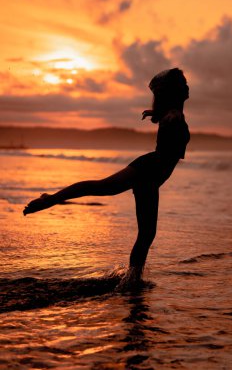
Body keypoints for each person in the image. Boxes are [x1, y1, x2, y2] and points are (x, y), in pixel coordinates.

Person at [23, 68, 190, 282]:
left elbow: (164, 113)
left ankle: (133, 278)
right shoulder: (174, 115)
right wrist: (164, 115)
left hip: (152, 179)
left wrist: (154, 113)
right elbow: (169, 118)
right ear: (175, 91)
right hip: (147, 169)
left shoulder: (173, 110)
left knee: (147, 234)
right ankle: (51, 199)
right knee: (101, 188)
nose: (187, 88)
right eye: (182, 85)